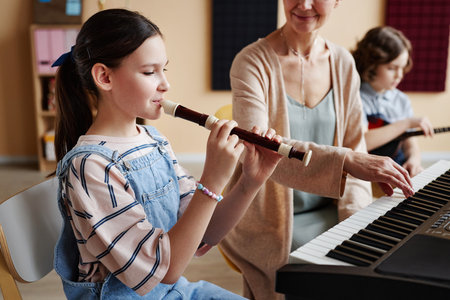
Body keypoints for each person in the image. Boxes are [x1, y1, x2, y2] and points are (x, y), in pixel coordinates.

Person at [52, 8, 284, 299]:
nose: (165, 84)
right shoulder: (89, 166)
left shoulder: (153, 139)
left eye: (164, 69)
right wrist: (211, 180)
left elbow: (205, 233)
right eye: (150, 72)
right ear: (104, 77)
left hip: (173, 291)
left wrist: (250, 180)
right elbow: (165, 269)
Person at [219, 1, 414, 299]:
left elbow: (354, 143)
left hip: (331, 206)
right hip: (269, 216)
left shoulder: (343, 63)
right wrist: (347, 160)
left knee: (383, 251)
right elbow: (261, 149)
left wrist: (355, 214)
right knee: (320, 271)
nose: (305, 4)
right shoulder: (250, 62)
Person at [352, 26, 434, 177]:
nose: (399, 75)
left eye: (402, 68)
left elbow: (410, 142)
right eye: (392, 68)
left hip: (398, 167)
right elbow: (362, 142)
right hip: (368, 173)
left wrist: (414, 160)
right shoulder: (355, 97)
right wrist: (406, 123)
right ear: (371, 65)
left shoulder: (401, 100)